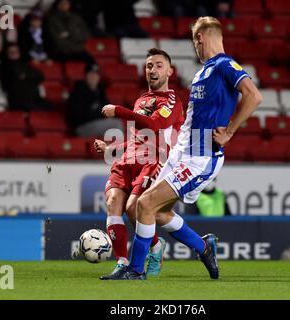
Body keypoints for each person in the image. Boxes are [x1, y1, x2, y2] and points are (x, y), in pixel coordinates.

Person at [100, 16, 262, 280]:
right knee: (157, 211)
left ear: (200, 38)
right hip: (181, 153)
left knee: (146, 203)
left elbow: (254, 95)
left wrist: (230, 130)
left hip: (200, 156)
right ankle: (203, 246)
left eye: (194, 41)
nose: (194, 47)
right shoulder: (203, 71)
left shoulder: (224, 65)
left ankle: (136, 269)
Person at [89, 48, 185, 279]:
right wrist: (113, 148)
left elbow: (153, 126)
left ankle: (155, 246)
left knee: (133, 208)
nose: (153, 69)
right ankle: (122, 262)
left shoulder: (172, 100)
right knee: (113, 202)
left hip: (154, 161)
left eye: (159, 65)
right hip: (129, 159)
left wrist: (118, 111)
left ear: (170, 71)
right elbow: (137, 138)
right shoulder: (141, 99)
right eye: (149, 65)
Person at [66, 63, 123, 137]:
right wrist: (99, 113)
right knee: (116, 124)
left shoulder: (100, 90)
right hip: (82, 127)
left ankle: (112, 148)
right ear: (86, 76)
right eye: (91, 74)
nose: (93, 77)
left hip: (98, 123)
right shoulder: (78, 91)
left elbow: (109, 110)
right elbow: (79, 116)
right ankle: (121, 148)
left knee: (120, 124)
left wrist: (96, 112)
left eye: (96, 74)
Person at [0, 43, 52, 111]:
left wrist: (25, 76)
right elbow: (13, 79)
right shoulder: (3, 66)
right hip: (18, 99)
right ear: (6, 53)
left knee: (50, 107)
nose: (14, 54)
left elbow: (40, 76)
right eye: (11, 52)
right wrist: (28, 77)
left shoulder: (24, 64)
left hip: (33, 97)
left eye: (16, 52)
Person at [45, 0, 95, 66]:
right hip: (62, 52)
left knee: (92, 63)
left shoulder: (77, 18)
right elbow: (56, 40)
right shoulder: (51, 19)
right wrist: (75, 37)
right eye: (62, 3)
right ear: (57, 5)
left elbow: (87, 36)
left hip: (79, 50)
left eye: (66, 3)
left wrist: (70, 34)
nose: (64, 5)